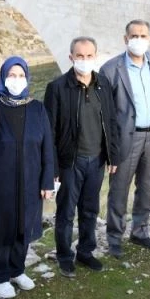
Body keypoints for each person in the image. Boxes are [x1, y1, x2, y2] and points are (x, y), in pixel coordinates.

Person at [0, 56, 55, 299]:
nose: (16, 80)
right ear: (3, 78)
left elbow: (47, 147)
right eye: (11, 75)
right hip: (0, 186)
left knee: (24, 227)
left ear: (27, 78)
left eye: (21, 75)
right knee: (2, 231)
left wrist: (47, 181)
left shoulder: (37, 108)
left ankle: (17, 270)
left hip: (31, 182)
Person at [44, 37, 120, 277]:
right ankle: (65, 256)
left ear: (95, 57)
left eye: (89, 56)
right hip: (70, 162)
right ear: (71, 58)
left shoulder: (103, 84)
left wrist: (113, 155)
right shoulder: (57, 88)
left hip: (96, 160)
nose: (84, 60)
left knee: (90, 209)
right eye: (79, 56)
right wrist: (53, 167)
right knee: (66, 212)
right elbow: (49, 131)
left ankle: (86, 252)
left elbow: (111, 121)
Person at [99, 20, 150, 258]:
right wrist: (110, 149)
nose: (139, 40)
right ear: (125, 39)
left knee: (146, 187)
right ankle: (114, 238)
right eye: (134, 36)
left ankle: (140, 231)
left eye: (143, 36)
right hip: (125, 139)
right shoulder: (110, 69)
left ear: (149, 38)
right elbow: (106, 114)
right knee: (119, 190)